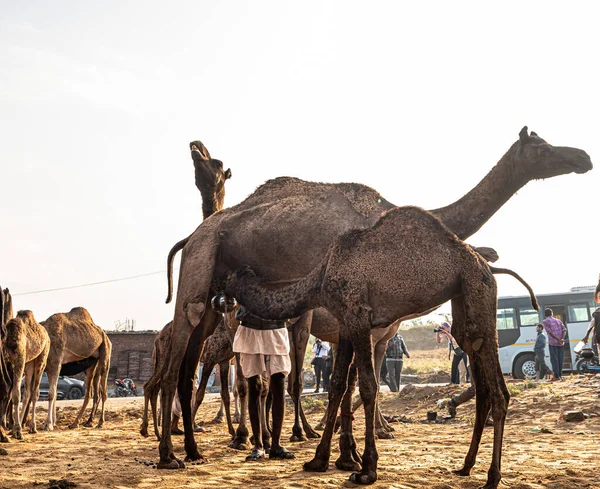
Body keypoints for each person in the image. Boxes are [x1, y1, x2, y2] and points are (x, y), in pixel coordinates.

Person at [233, 306, 294, 461]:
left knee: (279, 386)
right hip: (250, 327)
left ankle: (276, 445)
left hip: (277, 327)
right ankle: (258, 445)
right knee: (254, 387)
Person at [542, 308, 567, 381]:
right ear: (552, 313)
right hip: (561, 344)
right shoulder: (558, 320)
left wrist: (558, 339)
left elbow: (549, 332)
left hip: (553, 343)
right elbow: (564, 330)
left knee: (554, 360)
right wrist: (562, 339)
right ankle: (560, 375)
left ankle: (556, 376)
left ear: (545, 314)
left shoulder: (545, 321)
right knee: (560, 359)